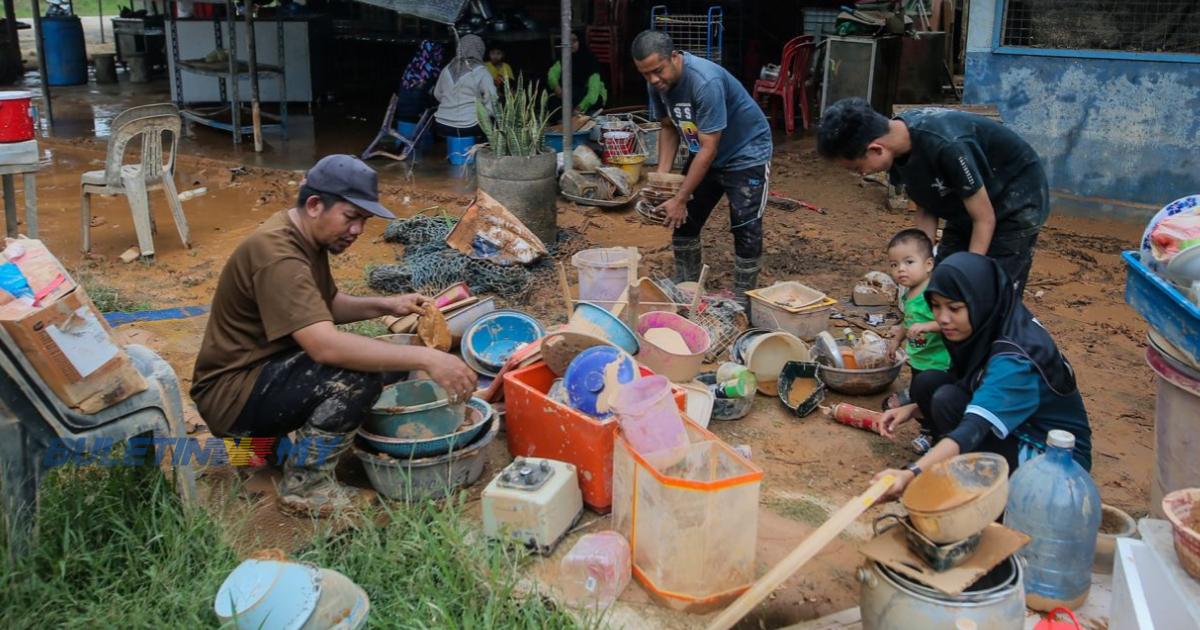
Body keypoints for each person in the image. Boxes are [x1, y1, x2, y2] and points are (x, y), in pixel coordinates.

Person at [190, 155, 477, 517]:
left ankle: (273, 450)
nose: (357, 230)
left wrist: (386, 305)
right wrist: (429, 357)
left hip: (257, 374)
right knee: (355, 375)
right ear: (314, 205)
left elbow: (324, 305)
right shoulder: (279, 255)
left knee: (387, 360)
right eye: (351, 217)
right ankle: (305, 487)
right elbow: (324, 346)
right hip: (231, 396)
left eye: (363, 221)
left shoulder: (302, 236)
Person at [870, 253, 1092, 502]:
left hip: (1056, 464)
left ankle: (986, 496)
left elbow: (974, 427)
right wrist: (913, 409)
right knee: (930, 384)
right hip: (1020, 426)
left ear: (979, 300)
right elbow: (966, 379)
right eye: (936, 305)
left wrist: (912, 474)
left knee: (947, 400)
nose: (942, 318)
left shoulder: (1014, 359)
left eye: (954, 308)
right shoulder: (994, 317)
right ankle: (958, 467)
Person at [817, 98, 1050, 296]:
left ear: (876, 149)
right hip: (966, 203)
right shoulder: (897, 150)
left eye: (858, 168)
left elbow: (984, 219)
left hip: (1014, 199)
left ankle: (1000, 341)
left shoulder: (947, 146)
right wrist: (920, 263)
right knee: (941, 281)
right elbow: (927, 205)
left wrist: (970, 274)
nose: (862, 174)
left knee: (990, 292)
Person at [631, 29, 773, 309]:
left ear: (674, 57)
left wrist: (681, 196)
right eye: (646, 74)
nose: (653, 80)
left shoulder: (704, 82)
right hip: (705, 152)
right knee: (682, 219)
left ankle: (744, 301)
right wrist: (663, 185)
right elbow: (669, 127)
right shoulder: (657, 83)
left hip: (745, 152)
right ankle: (687, 283)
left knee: (745, 225)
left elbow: (709, 147)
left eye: (658, 71)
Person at [883, 229, 951, 456]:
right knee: (922, 396)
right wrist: (896, 340)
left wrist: (927, 326)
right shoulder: (909, 294)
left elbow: (948, 323)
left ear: (929, 264)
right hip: (919, 359)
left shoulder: (932, 295)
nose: (900, 269)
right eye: (894, 265)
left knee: (934, 400)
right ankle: (927, 430)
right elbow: (907, 321)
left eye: (909, 262)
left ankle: (936, 434)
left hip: (938, 361)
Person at [433, 34, 497, 138]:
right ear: (480, 49)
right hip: (469, 125)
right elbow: (492, 98)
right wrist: (487, 115)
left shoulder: (447, 68)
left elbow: (437, 94)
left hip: (442, 122)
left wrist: (451, 105)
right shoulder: (482, 71)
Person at [549, 33, 607, 115]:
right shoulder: (563, 58)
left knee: (593, 100)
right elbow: (552, 74)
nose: (571, 44)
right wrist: (556, 87)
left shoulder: (590, 60)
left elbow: (593, 93)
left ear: (580, 41)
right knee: (552, 100)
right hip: (572, 93)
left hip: (591, 95)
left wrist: (579, 107)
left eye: (574, 40)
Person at [394, 40, 446, 122]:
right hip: (416, 119)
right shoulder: (430, 73)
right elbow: (435, 97)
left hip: (401, 116)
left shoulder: (410, 69)